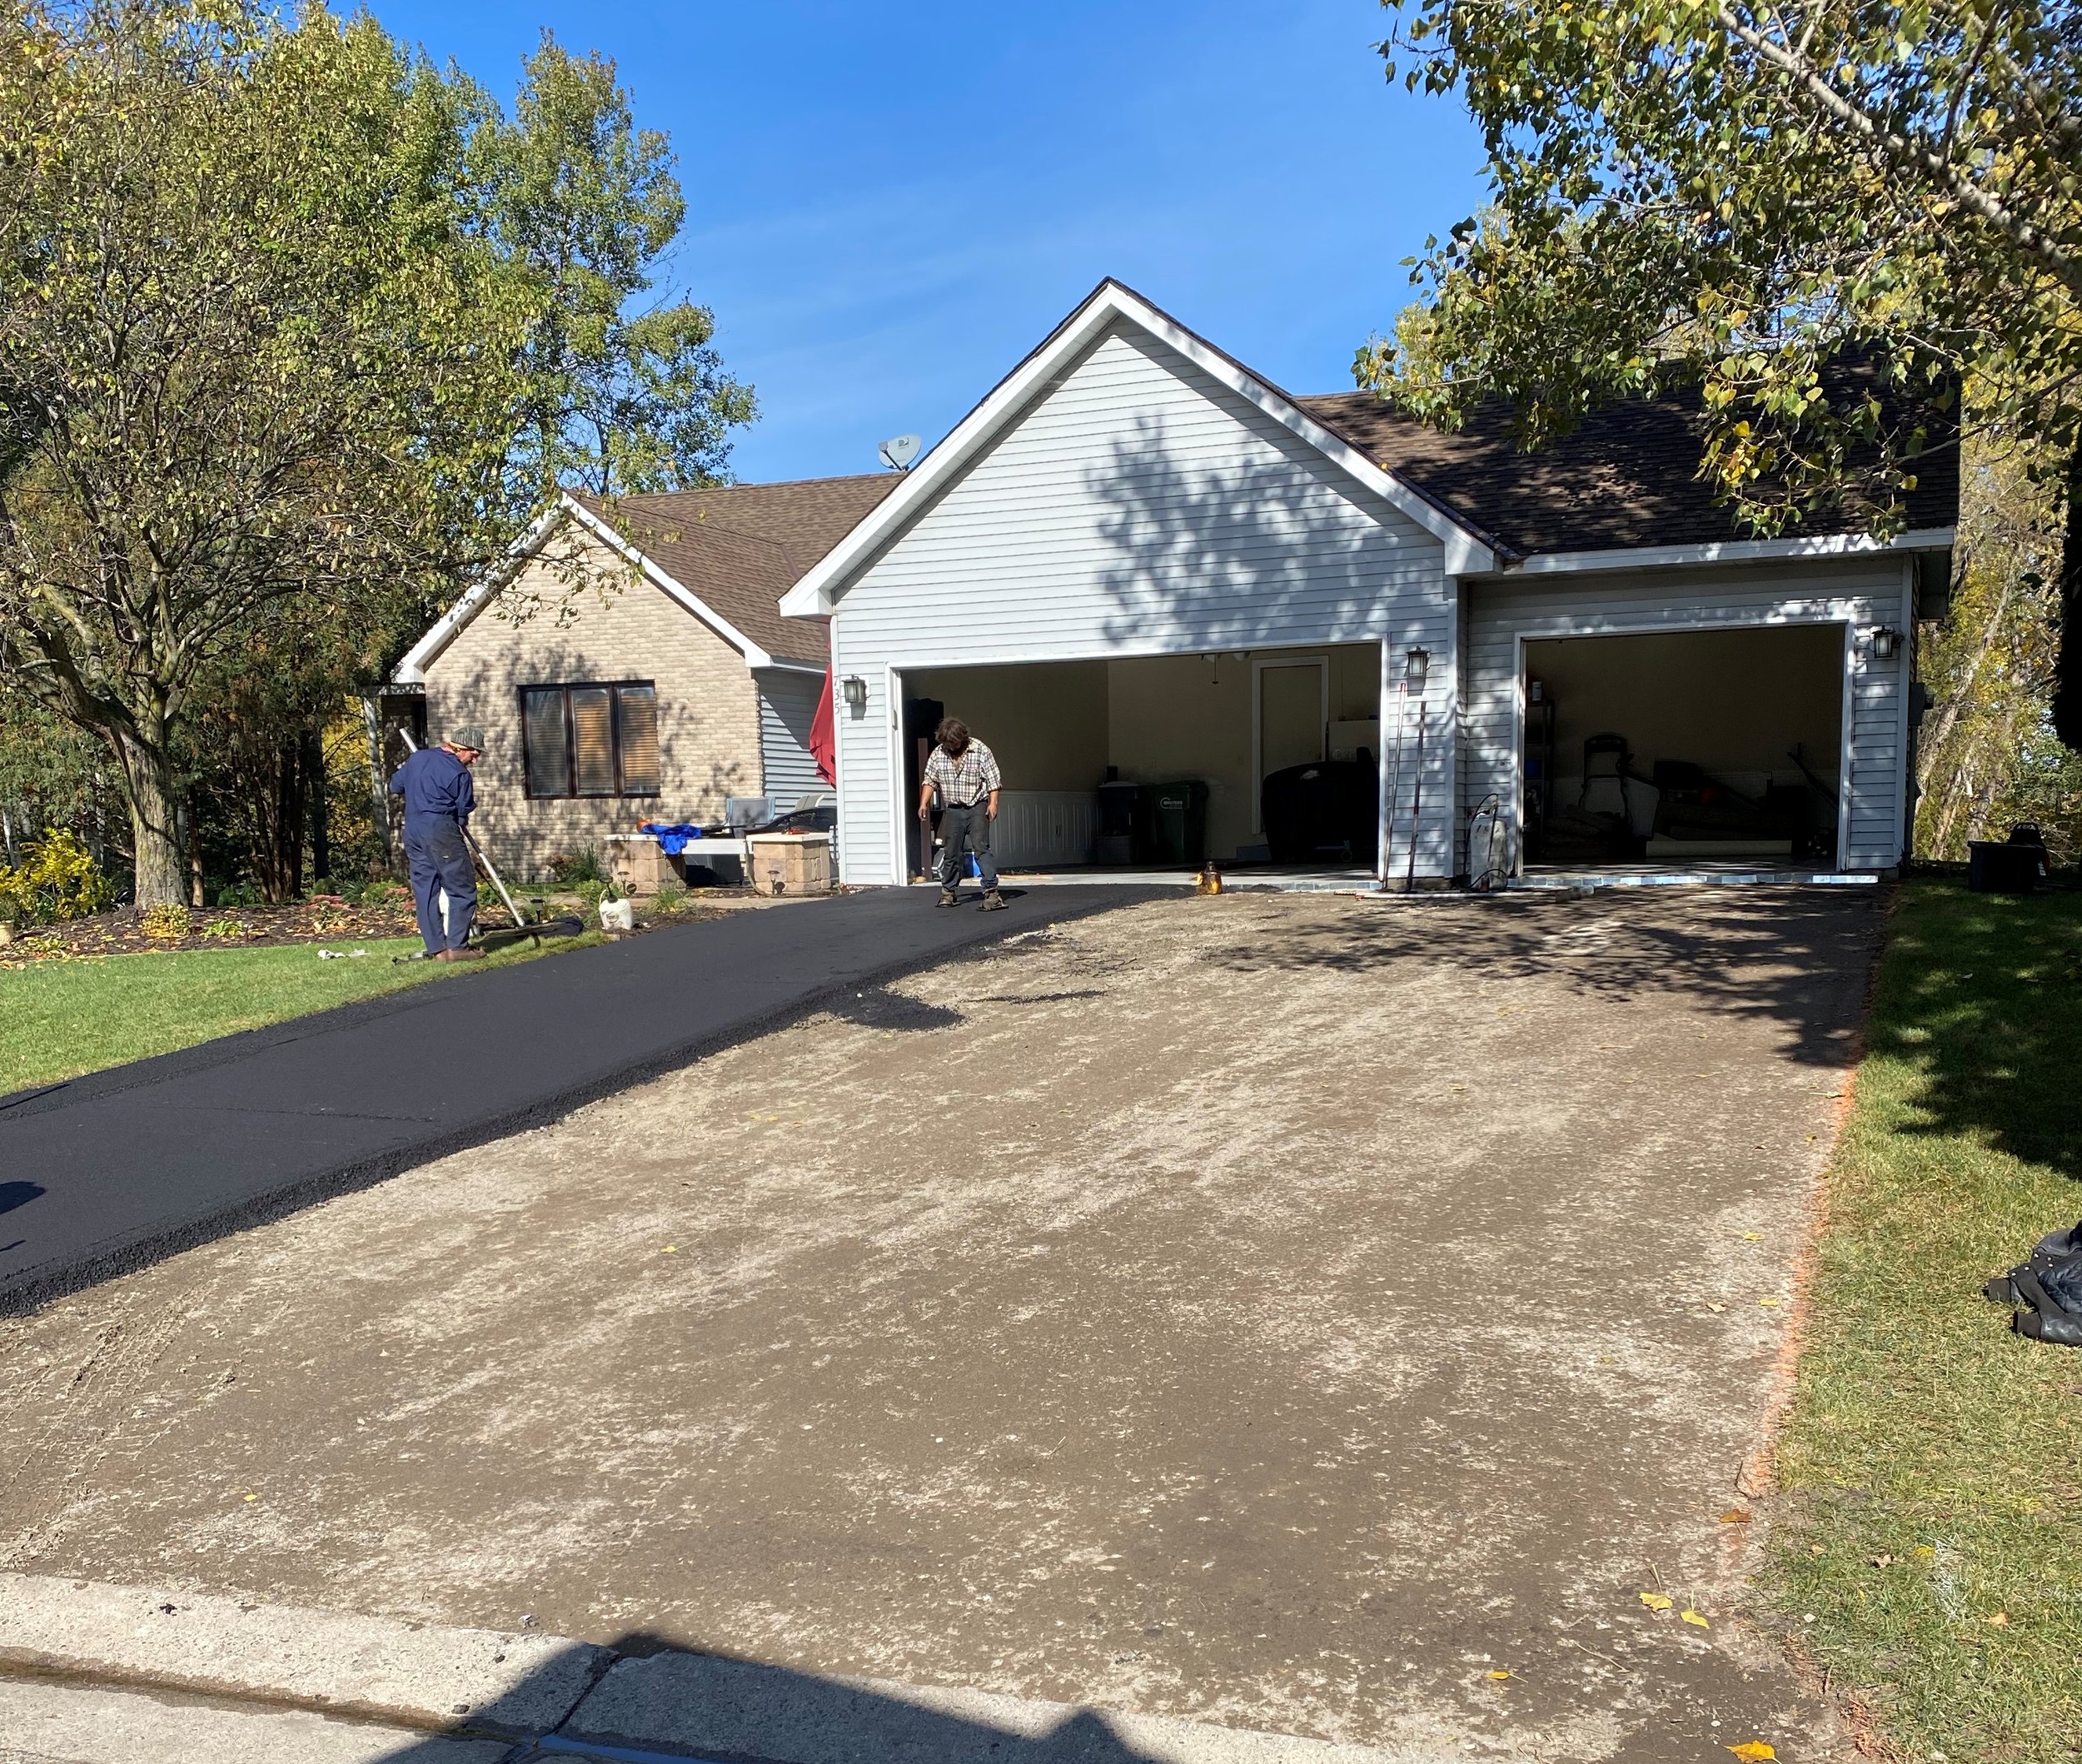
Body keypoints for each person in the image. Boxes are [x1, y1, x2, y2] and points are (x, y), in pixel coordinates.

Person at [390, 727, 486, 960]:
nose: (474, 761)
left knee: (426, 890)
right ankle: (458, 948)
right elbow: (462, 815)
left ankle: (438, 950)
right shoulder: (459, 774)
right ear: (459, 748)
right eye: (473, 755)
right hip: (440, 829)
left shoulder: (417, 758)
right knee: (462, 888)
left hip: (413, 829)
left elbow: (395, 786)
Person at [919, 716, 1004, 910]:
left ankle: (992, 894)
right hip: (953, 809)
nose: (951, 746)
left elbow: (993, 780)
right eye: (947, 743)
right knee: (951, 852)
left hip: (977, 806)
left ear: (962, 738)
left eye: (954, 742)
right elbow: (930, 779)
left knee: (980, 848)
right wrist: (923, 803)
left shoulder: (980, 749)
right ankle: (948, 893)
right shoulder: (939, 754)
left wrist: (993, 804)